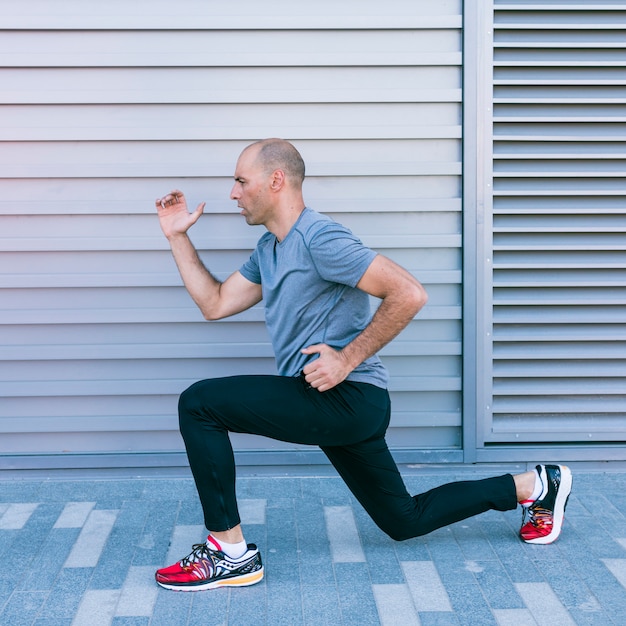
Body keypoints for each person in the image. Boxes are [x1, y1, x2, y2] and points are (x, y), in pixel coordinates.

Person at [153, 139, 572, 592]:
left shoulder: (320, 238)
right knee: (403, 520)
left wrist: (346, 358)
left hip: (347, 398)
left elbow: (409, 293)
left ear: (276, 181)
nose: (233, 193)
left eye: (240, 181)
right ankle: (534, 485)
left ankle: (228, 551)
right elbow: (215, 303)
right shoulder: (270, 249)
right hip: (338, 404)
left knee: (199, 403)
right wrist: (177, 236)